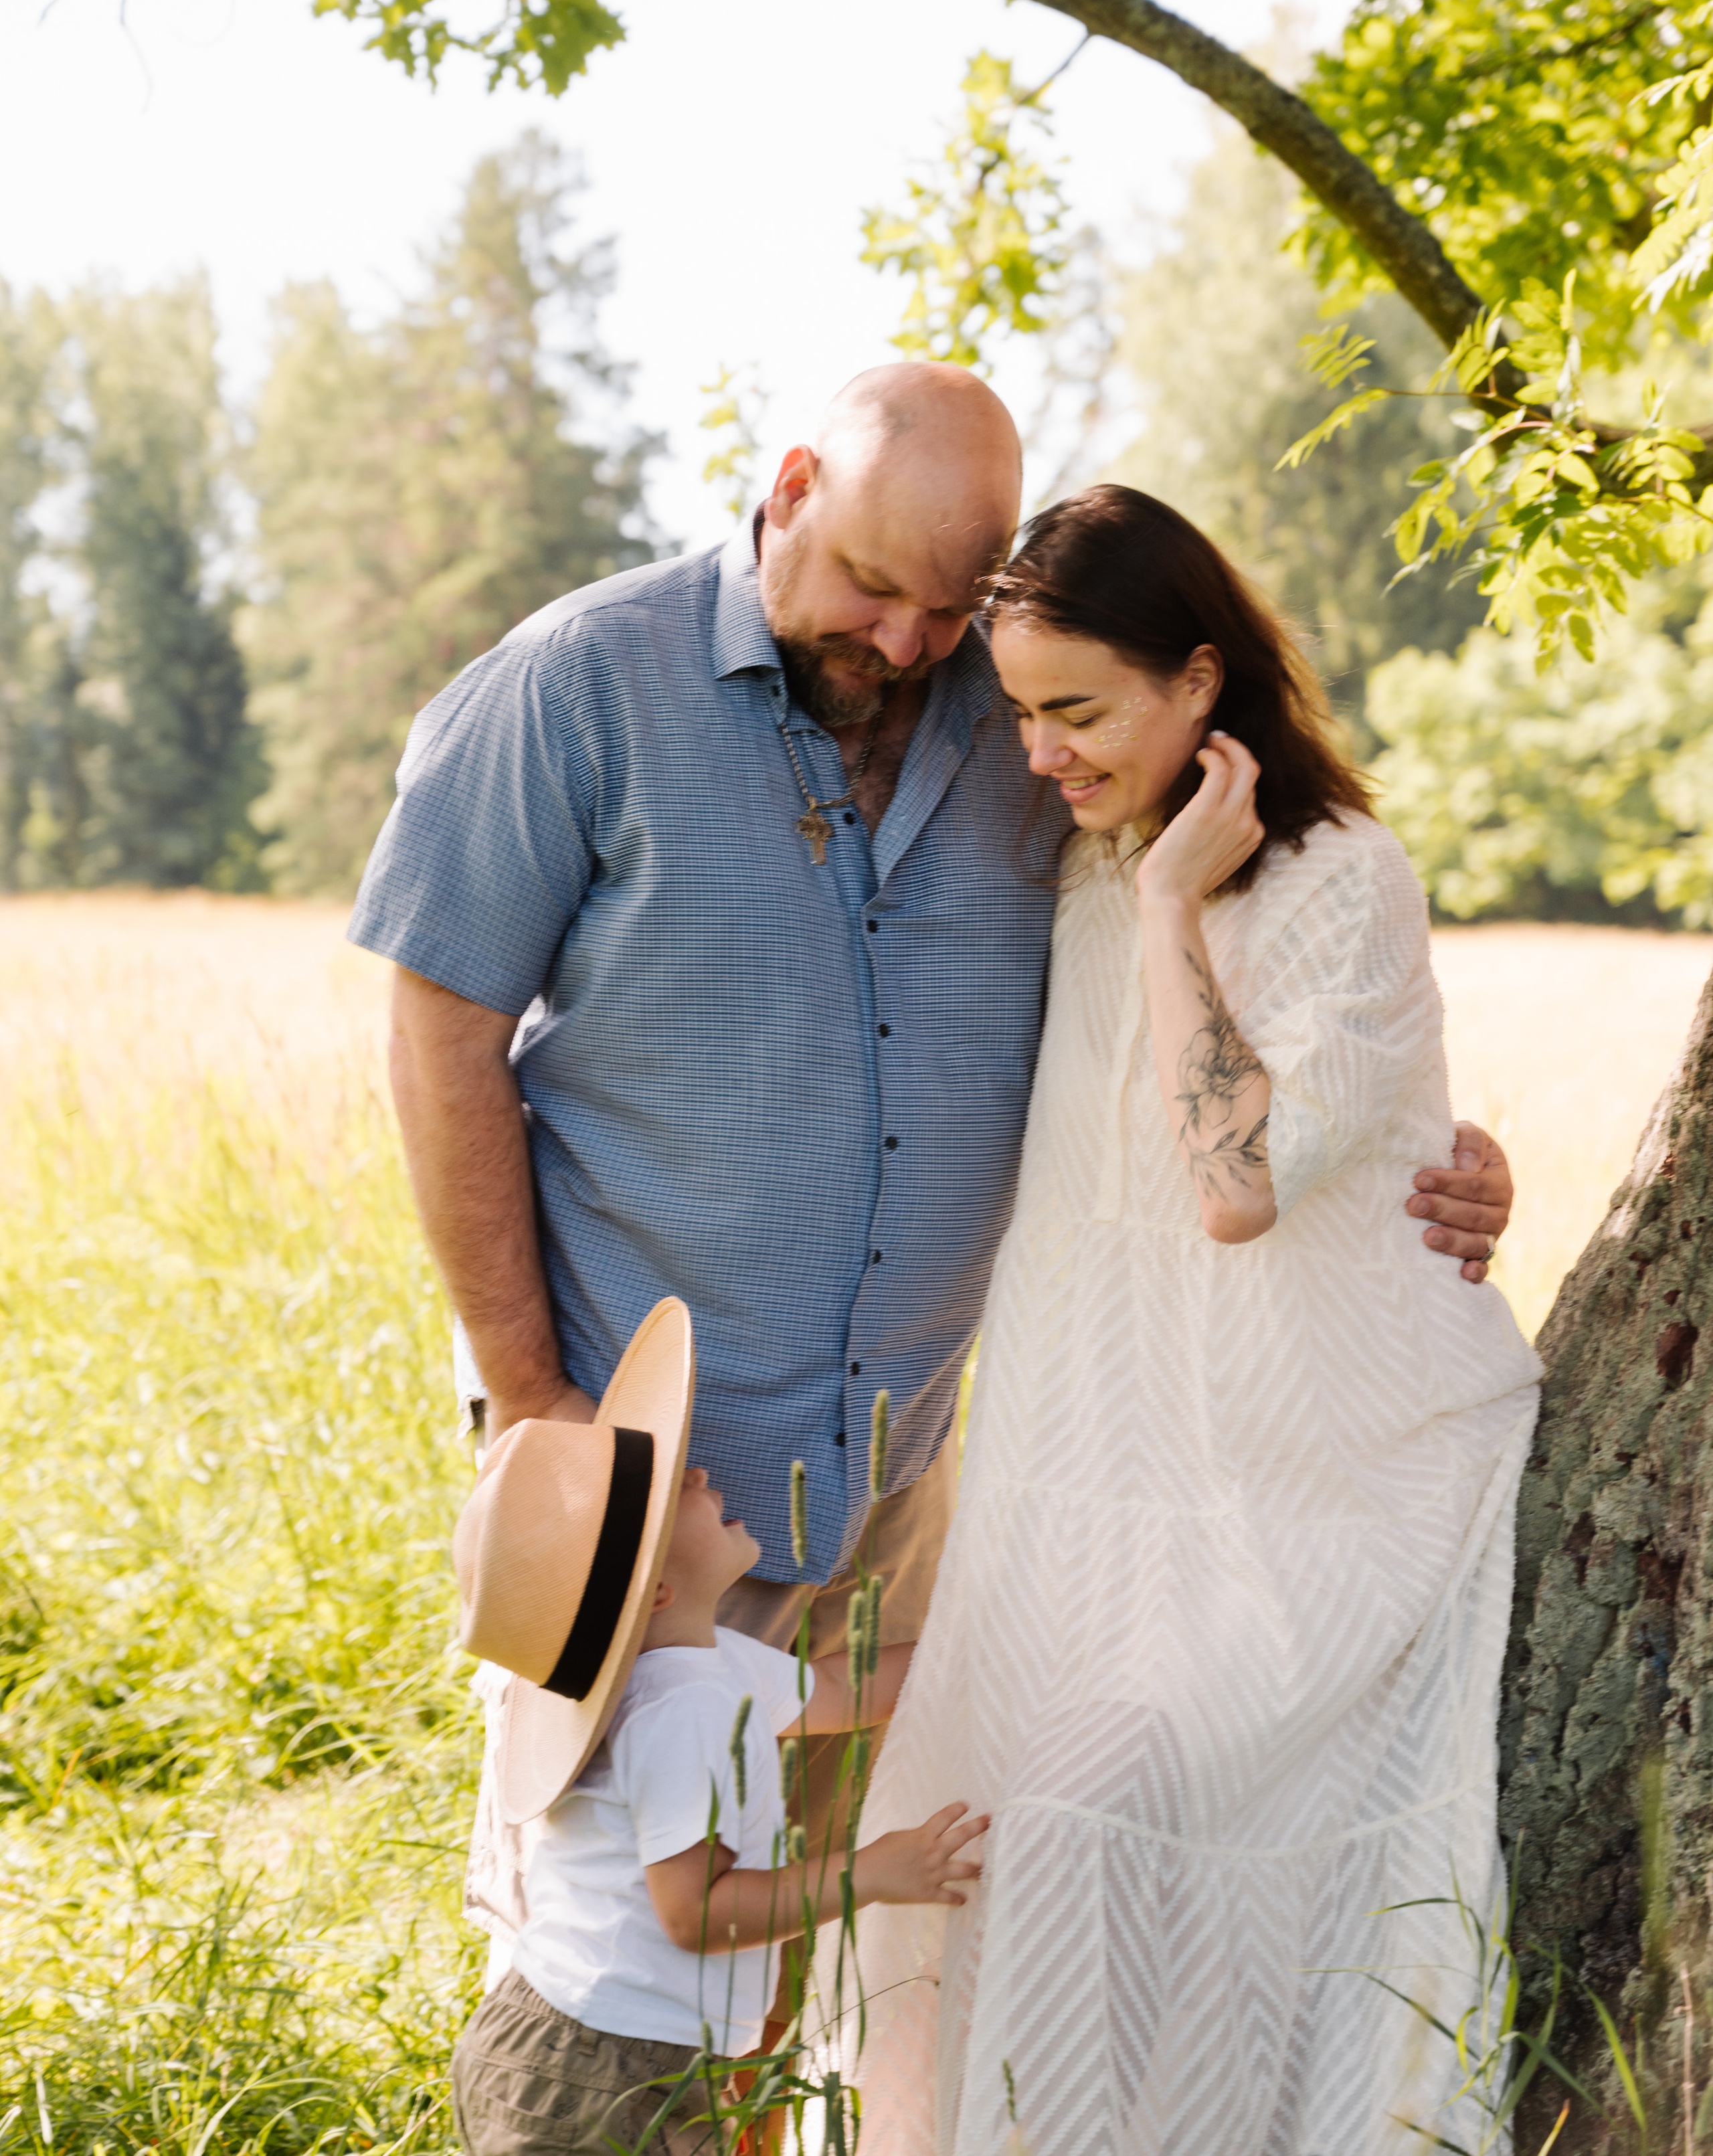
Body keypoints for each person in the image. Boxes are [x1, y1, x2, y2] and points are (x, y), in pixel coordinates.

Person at [345, 364, 1514, 1950]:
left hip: (915, 1487)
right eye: (871, 586)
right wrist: (536, 1400)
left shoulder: (1019, 716)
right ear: (790, 482)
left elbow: (1201, 998)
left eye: (944, 607)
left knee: (856, 1947)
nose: (903, 641)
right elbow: (439, 1035)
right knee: (613, 1956)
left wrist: (1404, 1158)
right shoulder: (573, 688)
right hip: (655, 1499)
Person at [843, 487, 1545, 2156]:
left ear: (1201, 680)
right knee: (956, 1818)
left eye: (1073, 711)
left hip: (1321, 1481)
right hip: (1100, 1461)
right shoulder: (1075, 853)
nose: (1036, 755)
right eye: (1016, 712)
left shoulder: (1329, 879)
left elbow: (1231, 1187)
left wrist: (1171, 909)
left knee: (1087, 1812)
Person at [448, 1299, 985, 2156]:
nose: (699, 1477)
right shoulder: (683, 1711)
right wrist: (873, 1871)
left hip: (595, 2046)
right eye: (675, 1496)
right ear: (656, 1590)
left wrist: (995, 1645)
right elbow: (696, 1913)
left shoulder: (714, 1663)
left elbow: (848, 1688)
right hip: (605, 2069)